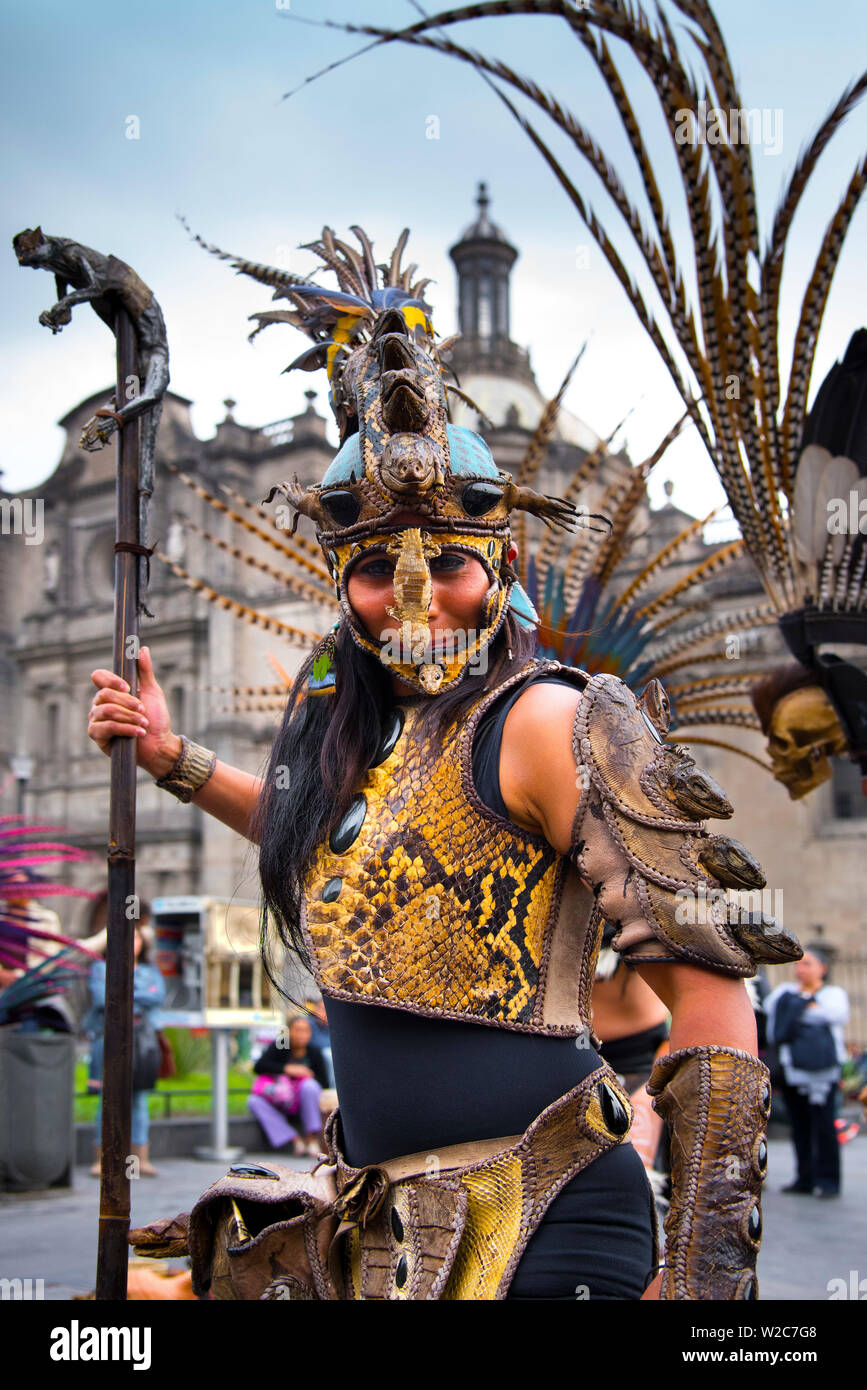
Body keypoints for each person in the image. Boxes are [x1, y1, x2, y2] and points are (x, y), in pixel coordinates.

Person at [89, 227, 802, 1301]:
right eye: (377, 566)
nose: (415, 595)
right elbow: (330, 838)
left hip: (551, 1223)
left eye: (451, 562)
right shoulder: (361, 740)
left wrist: (700, 1289)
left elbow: (712, 1004)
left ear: (502, 561)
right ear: (342, 578)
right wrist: (172, 757)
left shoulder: (554, 720)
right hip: (385, 1227)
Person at [86, 910, 165, 1177]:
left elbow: (157, 996)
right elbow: (102, 998)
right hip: (108, 1040)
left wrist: (121, 988)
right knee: (106, 1100)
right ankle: (103, 1159)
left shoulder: (150, 970)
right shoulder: (100, 968)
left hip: (141, 1043)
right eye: (127, 938)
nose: (133, 943)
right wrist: (135, 994)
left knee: (139, 1100)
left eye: (137, 939)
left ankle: (141, 1158)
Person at [765, 947, 850, 1198]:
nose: (801, 969)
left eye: (808, 964)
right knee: (800, 1125)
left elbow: (835, 1015)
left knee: (824, 1125)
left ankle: (828, 1180)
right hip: (792, 1069)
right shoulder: (785, 992)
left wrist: (797, 1009)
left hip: (822, 1071)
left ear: (822, 968)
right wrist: (805, 1007)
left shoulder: (833, 994)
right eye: (799, 964)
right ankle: (805, 1177)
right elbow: (772, 1012)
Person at [248, 1014, 328, 1158]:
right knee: (253, 1101)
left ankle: (311, 1138)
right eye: (297, 1030)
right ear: (289, 1031)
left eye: (305, 1031)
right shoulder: (281, 1046)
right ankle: (294, 1139)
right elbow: (259, 1067)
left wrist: (306, 1075)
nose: (301, 1035)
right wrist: (287, 1069)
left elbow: (324, 1083)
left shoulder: (314, 1052)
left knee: (310, 1086)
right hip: (280, 1098)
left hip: (304, 1103)